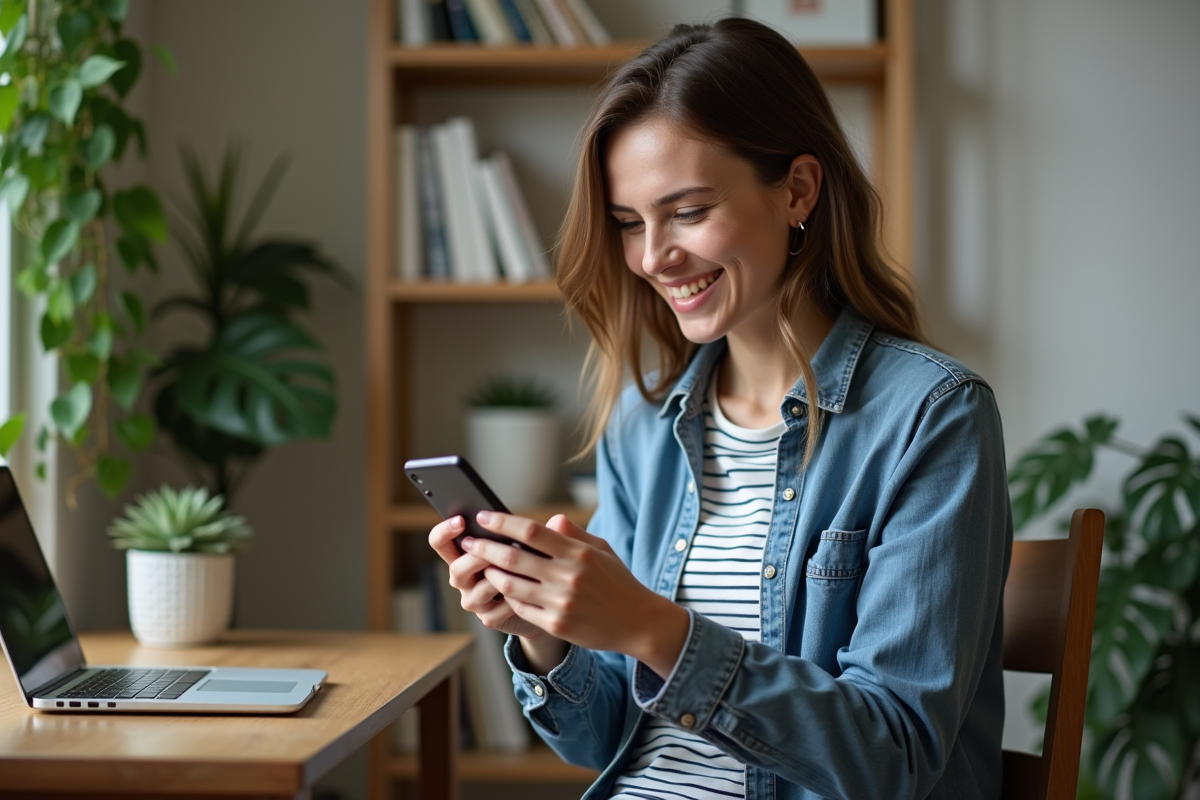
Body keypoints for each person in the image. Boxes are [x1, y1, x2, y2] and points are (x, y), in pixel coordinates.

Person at [428, 17, 1011, 800]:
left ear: (798, 188)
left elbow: (892, 759)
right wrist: (540, 633)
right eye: (631, 223)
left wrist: (650, 627)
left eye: (690, 211)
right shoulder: (644, 428)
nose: (652, 258)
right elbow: (605, 740)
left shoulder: (930, 418)